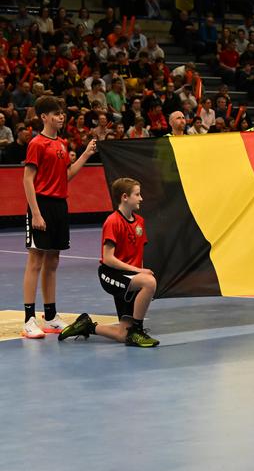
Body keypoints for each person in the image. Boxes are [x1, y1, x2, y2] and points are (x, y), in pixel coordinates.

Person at [21, 96, 98, 338]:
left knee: (53, 262)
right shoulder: (37, 143)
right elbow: (27, 180)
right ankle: (28, 320)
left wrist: (86, 154)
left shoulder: (63, 143)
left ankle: (51, 316)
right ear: (44, 117)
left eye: (61, 113)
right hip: (41, 204)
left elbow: (66, 176)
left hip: (60, 206)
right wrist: (35, 212)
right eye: (55, 113)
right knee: (35, 261)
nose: (61, 116)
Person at [58, 178, 160, 347]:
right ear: (125, 197)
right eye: (137, 194)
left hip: (129, 276)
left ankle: (87, 326)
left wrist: (139, 279)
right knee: (149, 282)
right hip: (111, 274)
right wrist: (139, 273)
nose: (141, 198)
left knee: (122, 335)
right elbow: (108, 259)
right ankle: (137, 331)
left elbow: (138, 255)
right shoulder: (113, 221)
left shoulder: (140, 222)